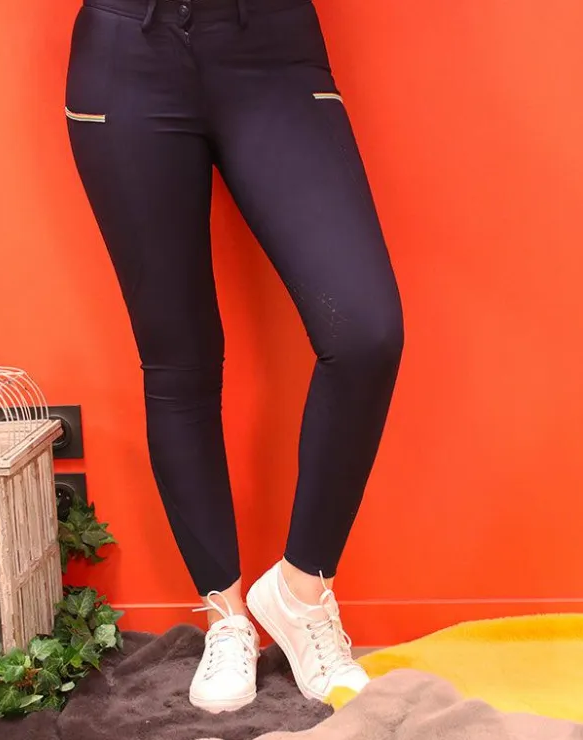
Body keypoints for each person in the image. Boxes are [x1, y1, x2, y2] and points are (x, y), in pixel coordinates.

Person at [66, 0, 403, 714]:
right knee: (178, 355)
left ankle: (300, 595)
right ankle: (226, 617)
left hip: (271, 50)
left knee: (366, 332)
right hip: (126, 55)